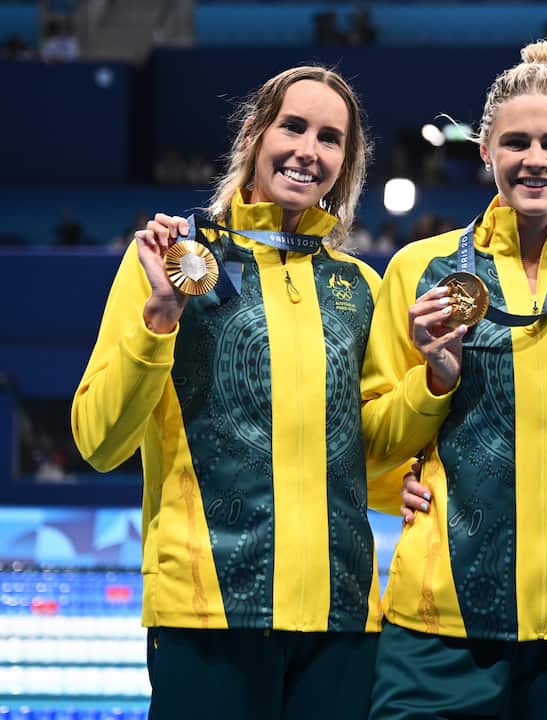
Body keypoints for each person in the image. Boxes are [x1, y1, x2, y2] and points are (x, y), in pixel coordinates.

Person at [71, 66, 396, 719]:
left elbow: (378, 452)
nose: (309, 149)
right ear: (254, 133)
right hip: (204, 612)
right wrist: (160, 320)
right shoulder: (172, 260)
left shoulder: (361, 287)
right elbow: (99, 442)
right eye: (293, 126)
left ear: (345, 164)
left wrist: (434, 402)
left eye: (330, 138)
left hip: (342, 619)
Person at [362, 40, 547, 718]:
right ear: (486, 150)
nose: (535, 160)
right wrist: (433, 385)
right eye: (515, 142)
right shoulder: (419, 269)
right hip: (440, 619)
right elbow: (372, 435)